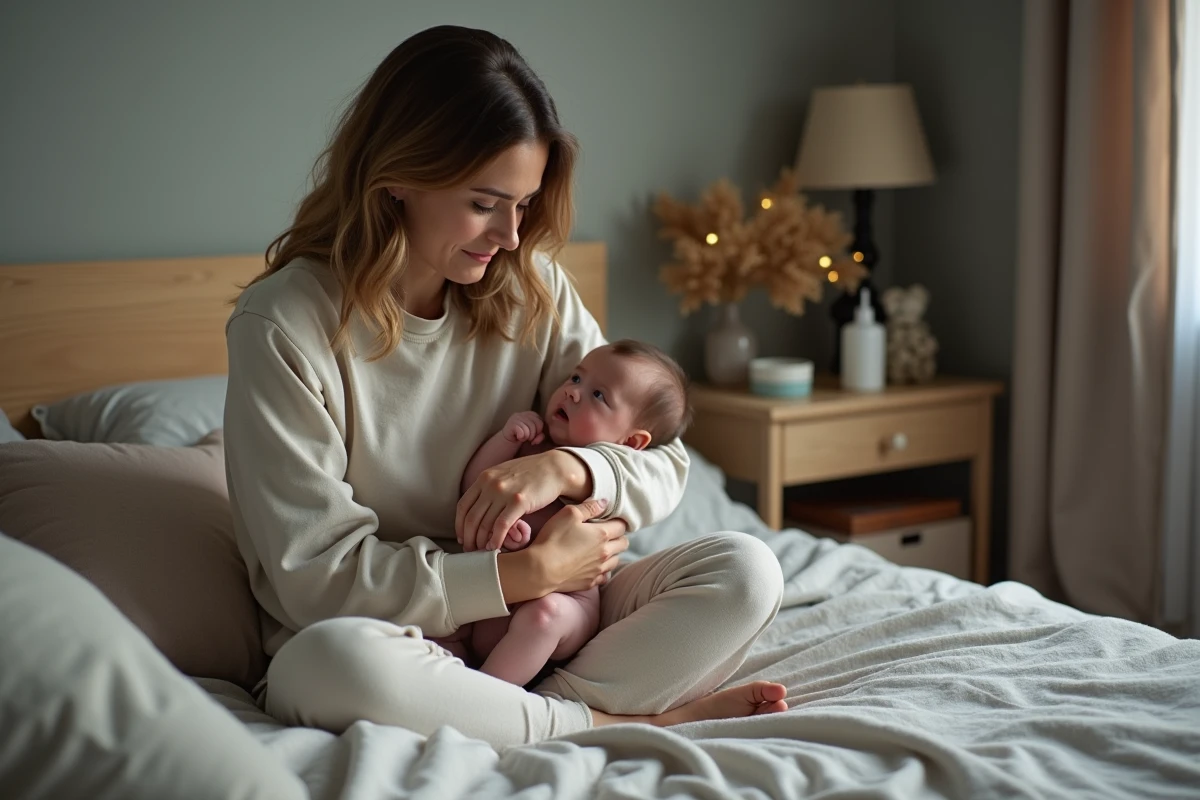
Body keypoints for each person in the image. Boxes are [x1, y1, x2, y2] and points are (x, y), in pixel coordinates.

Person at [223, 24, 787, 751]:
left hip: (545, 619)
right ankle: (618, 724)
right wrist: (521, 573)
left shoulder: (529, 289)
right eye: (486, 203)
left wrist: (568, 465)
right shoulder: (286, 324)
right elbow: (316, 575)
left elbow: (662, 459)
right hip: (396, 633)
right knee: (325, 666)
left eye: (524, 204)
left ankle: (527, 712)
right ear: (397, 174)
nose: (512, 236)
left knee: (748, 570)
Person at [443, 340, 691, 687]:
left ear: (631, 444)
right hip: (488, 601)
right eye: (576, 379)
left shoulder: (603, 490)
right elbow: (477, 487)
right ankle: (450, 684)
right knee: (432, 626)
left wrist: (527, 534)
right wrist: (505, 438)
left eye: (599, 396)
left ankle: (488, 695)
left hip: (567, 604)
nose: (574, 393)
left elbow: (572, 544)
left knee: (545, 617)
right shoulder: (532, 447)